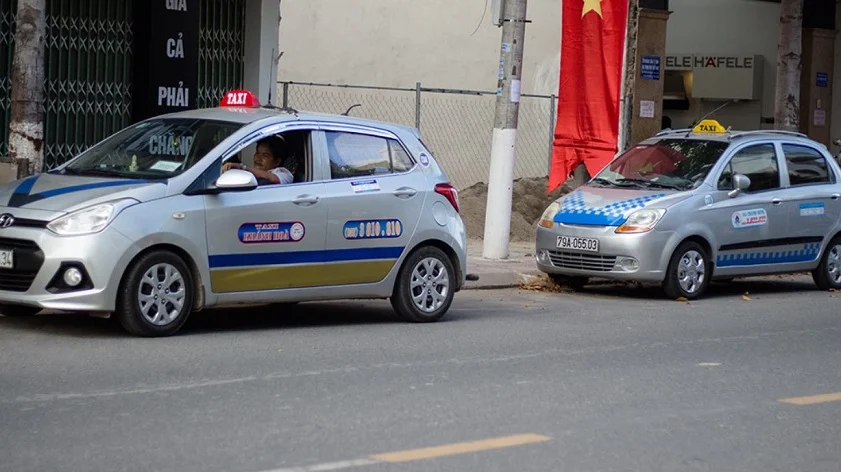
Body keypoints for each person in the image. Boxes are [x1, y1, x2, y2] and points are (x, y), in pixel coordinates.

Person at [222, 135, 295, 185]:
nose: (258, 158)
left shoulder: (285, 174)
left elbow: (272, 178)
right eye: (257, 153)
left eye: (265, 155)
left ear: (277, 161)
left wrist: (243, 168)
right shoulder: (254, 172)